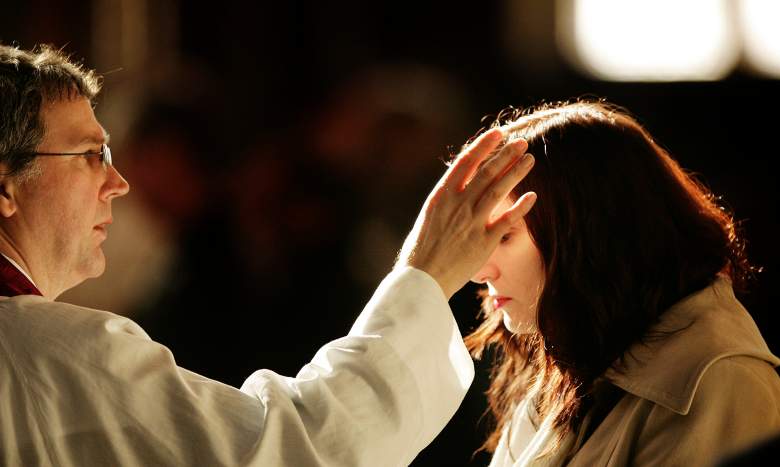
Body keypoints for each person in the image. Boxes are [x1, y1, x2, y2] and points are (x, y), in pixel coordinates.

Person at [0, 43, 539, 465]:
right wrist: (425, 274)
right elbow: (301, 453)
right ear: (6, 186)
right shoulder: (42, 353)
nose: (118, 183)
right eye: (92, 154)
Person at [464, 100, 780, 466]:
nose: (479, 271)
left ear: (588, 233)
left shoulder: (722, 384)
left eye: (504, 237)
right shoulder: (568, 364)